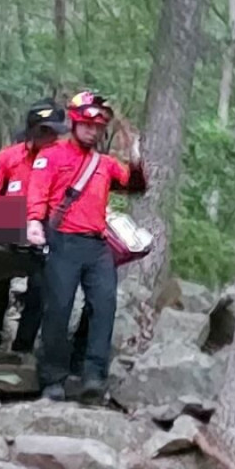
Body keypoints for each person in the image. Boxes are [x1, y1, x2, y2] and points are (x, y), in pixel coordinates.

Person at [26, 91, 146, 403]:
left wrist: (135, 159)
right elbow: (37, 193)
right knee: (58, 308)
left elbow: (134, 187)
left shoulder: (105, 164)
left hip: (96, 244)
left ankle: (93, 375)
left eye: (98, 127)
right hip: (63, 240)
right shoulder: (51, 156)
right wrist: (34, 222)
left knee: (104, 305)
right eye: (87, 125)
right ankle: (52, 378)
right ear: (76, 123)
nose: (93, 131)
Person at [0, 98, 69, 352]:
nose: (51, 137)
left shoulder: (64, 159)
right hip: (9, 224)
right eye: (45, 131)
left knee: (41, 284)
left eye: (54, 131)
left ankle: (23, 344)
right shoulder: (9, 157)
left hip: (48, 227)